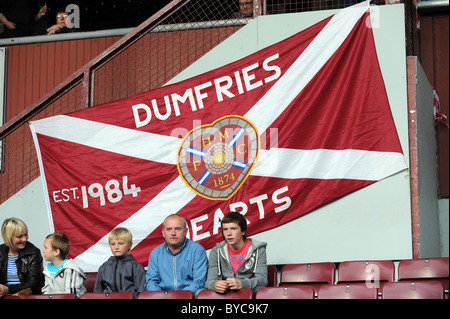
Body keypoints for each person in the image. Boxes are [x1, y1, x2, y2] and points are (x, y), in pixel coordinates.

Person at [204, 212, 268, 294]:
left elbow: (262, 280)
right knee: (201, 292)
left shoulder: (258, 249)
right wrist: (215, 284)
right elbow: (209, 281)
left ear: (243, 231)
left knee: (261, 292)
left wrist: (242, 283)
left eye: (233, 229)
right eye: (225, 229)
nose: (229, 233)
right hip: (225, 293)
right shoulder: (216, 251)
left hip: (249, 291)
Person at [145, 214, 208, 296]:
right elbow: (151, 282)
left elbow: (199, 282)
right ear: (163, 233)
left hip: (189, 297)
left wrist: (179, 295)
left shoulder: (197, 251)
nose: (173, 233)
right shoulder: (155, 253)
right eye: (169, 229)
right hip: (163, 297)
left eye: (177, 229)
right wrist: (163, 296)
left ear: (185, 231)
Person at [94, 227, 146, 298]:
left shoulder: (136, 267)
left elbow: (141, 293)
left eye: (120, 243)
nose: (116, 247)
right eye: (113, 244)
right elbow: (97, 293)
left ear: (130, 245)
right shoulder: (104, 267)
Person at [0, 217, 44, 299]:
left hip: (24, 296)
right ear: (8, 237)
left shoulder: (34, 252)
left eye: (26, 234)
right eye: (19, 236)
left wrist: (8, 289)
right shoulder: (1, 252)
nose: (24, 239)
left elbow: (33, 284)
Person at [42, 232, 86, 298]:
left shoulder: (71, 269)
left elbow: (71, 296)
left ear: (56, 252)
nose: (43, 250)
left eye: (46, 248)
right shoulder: (47, 269)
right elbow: (46, 294)